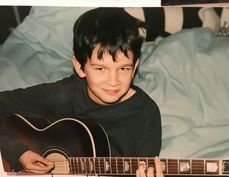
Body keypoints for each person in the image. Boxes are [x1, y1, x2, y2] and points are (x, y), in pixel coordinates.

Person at [0, 8, 163, 177]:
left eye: (124, 68)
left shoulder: (145, 115)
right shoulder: (64, 95)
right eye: (100, 68)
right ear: (80, 67)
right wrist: (19, 152)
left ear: (135, 67)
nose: (113, 81)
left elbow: (147, 168)